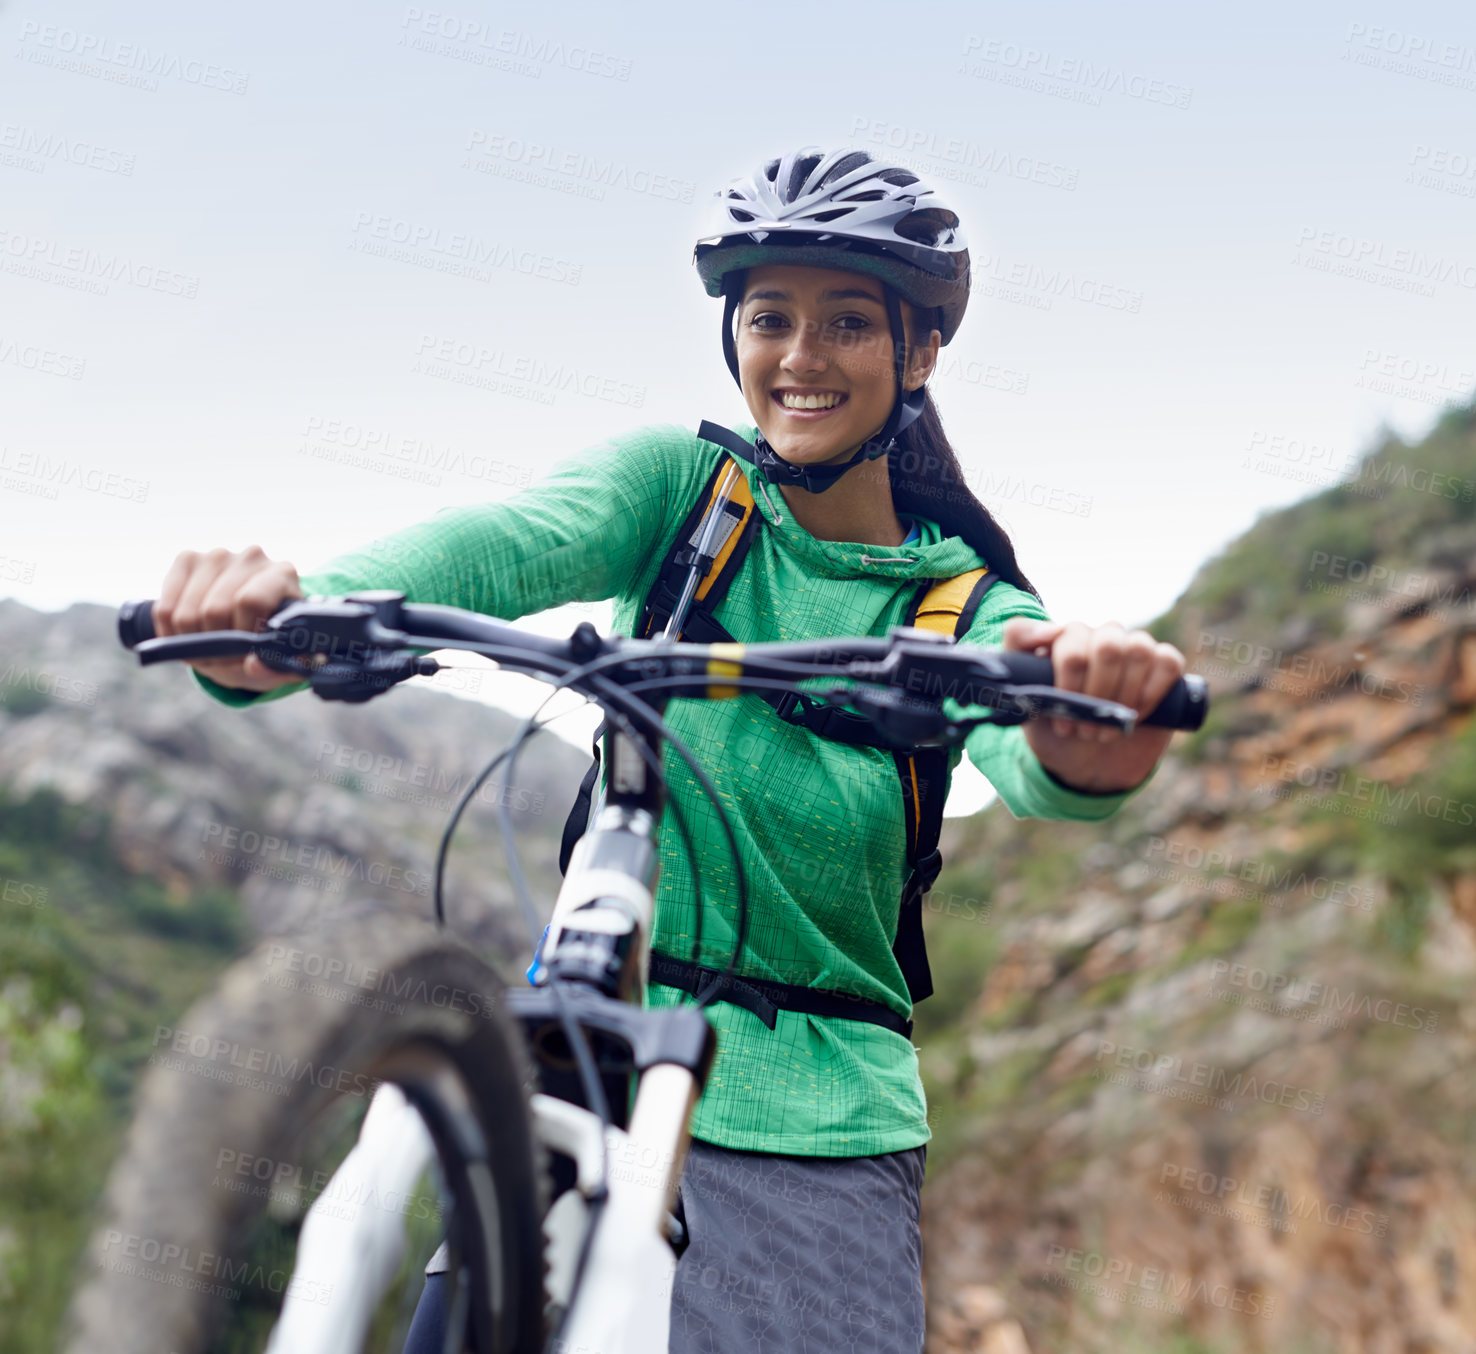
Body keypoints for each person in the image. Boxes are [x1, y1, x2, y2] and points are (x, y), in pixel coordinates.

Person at [154, 146, 1186, 1353]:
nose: (801, 357)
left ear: (918, 353)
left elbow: (1042, 750)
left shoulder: (960, 604)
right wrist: (288, 615)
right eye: (771, 318)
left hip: (822, 1127)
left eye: (849, 321)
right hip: (590, 1055)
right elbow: (508, 543)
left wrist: (1091, 724)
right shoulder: (685, 493)